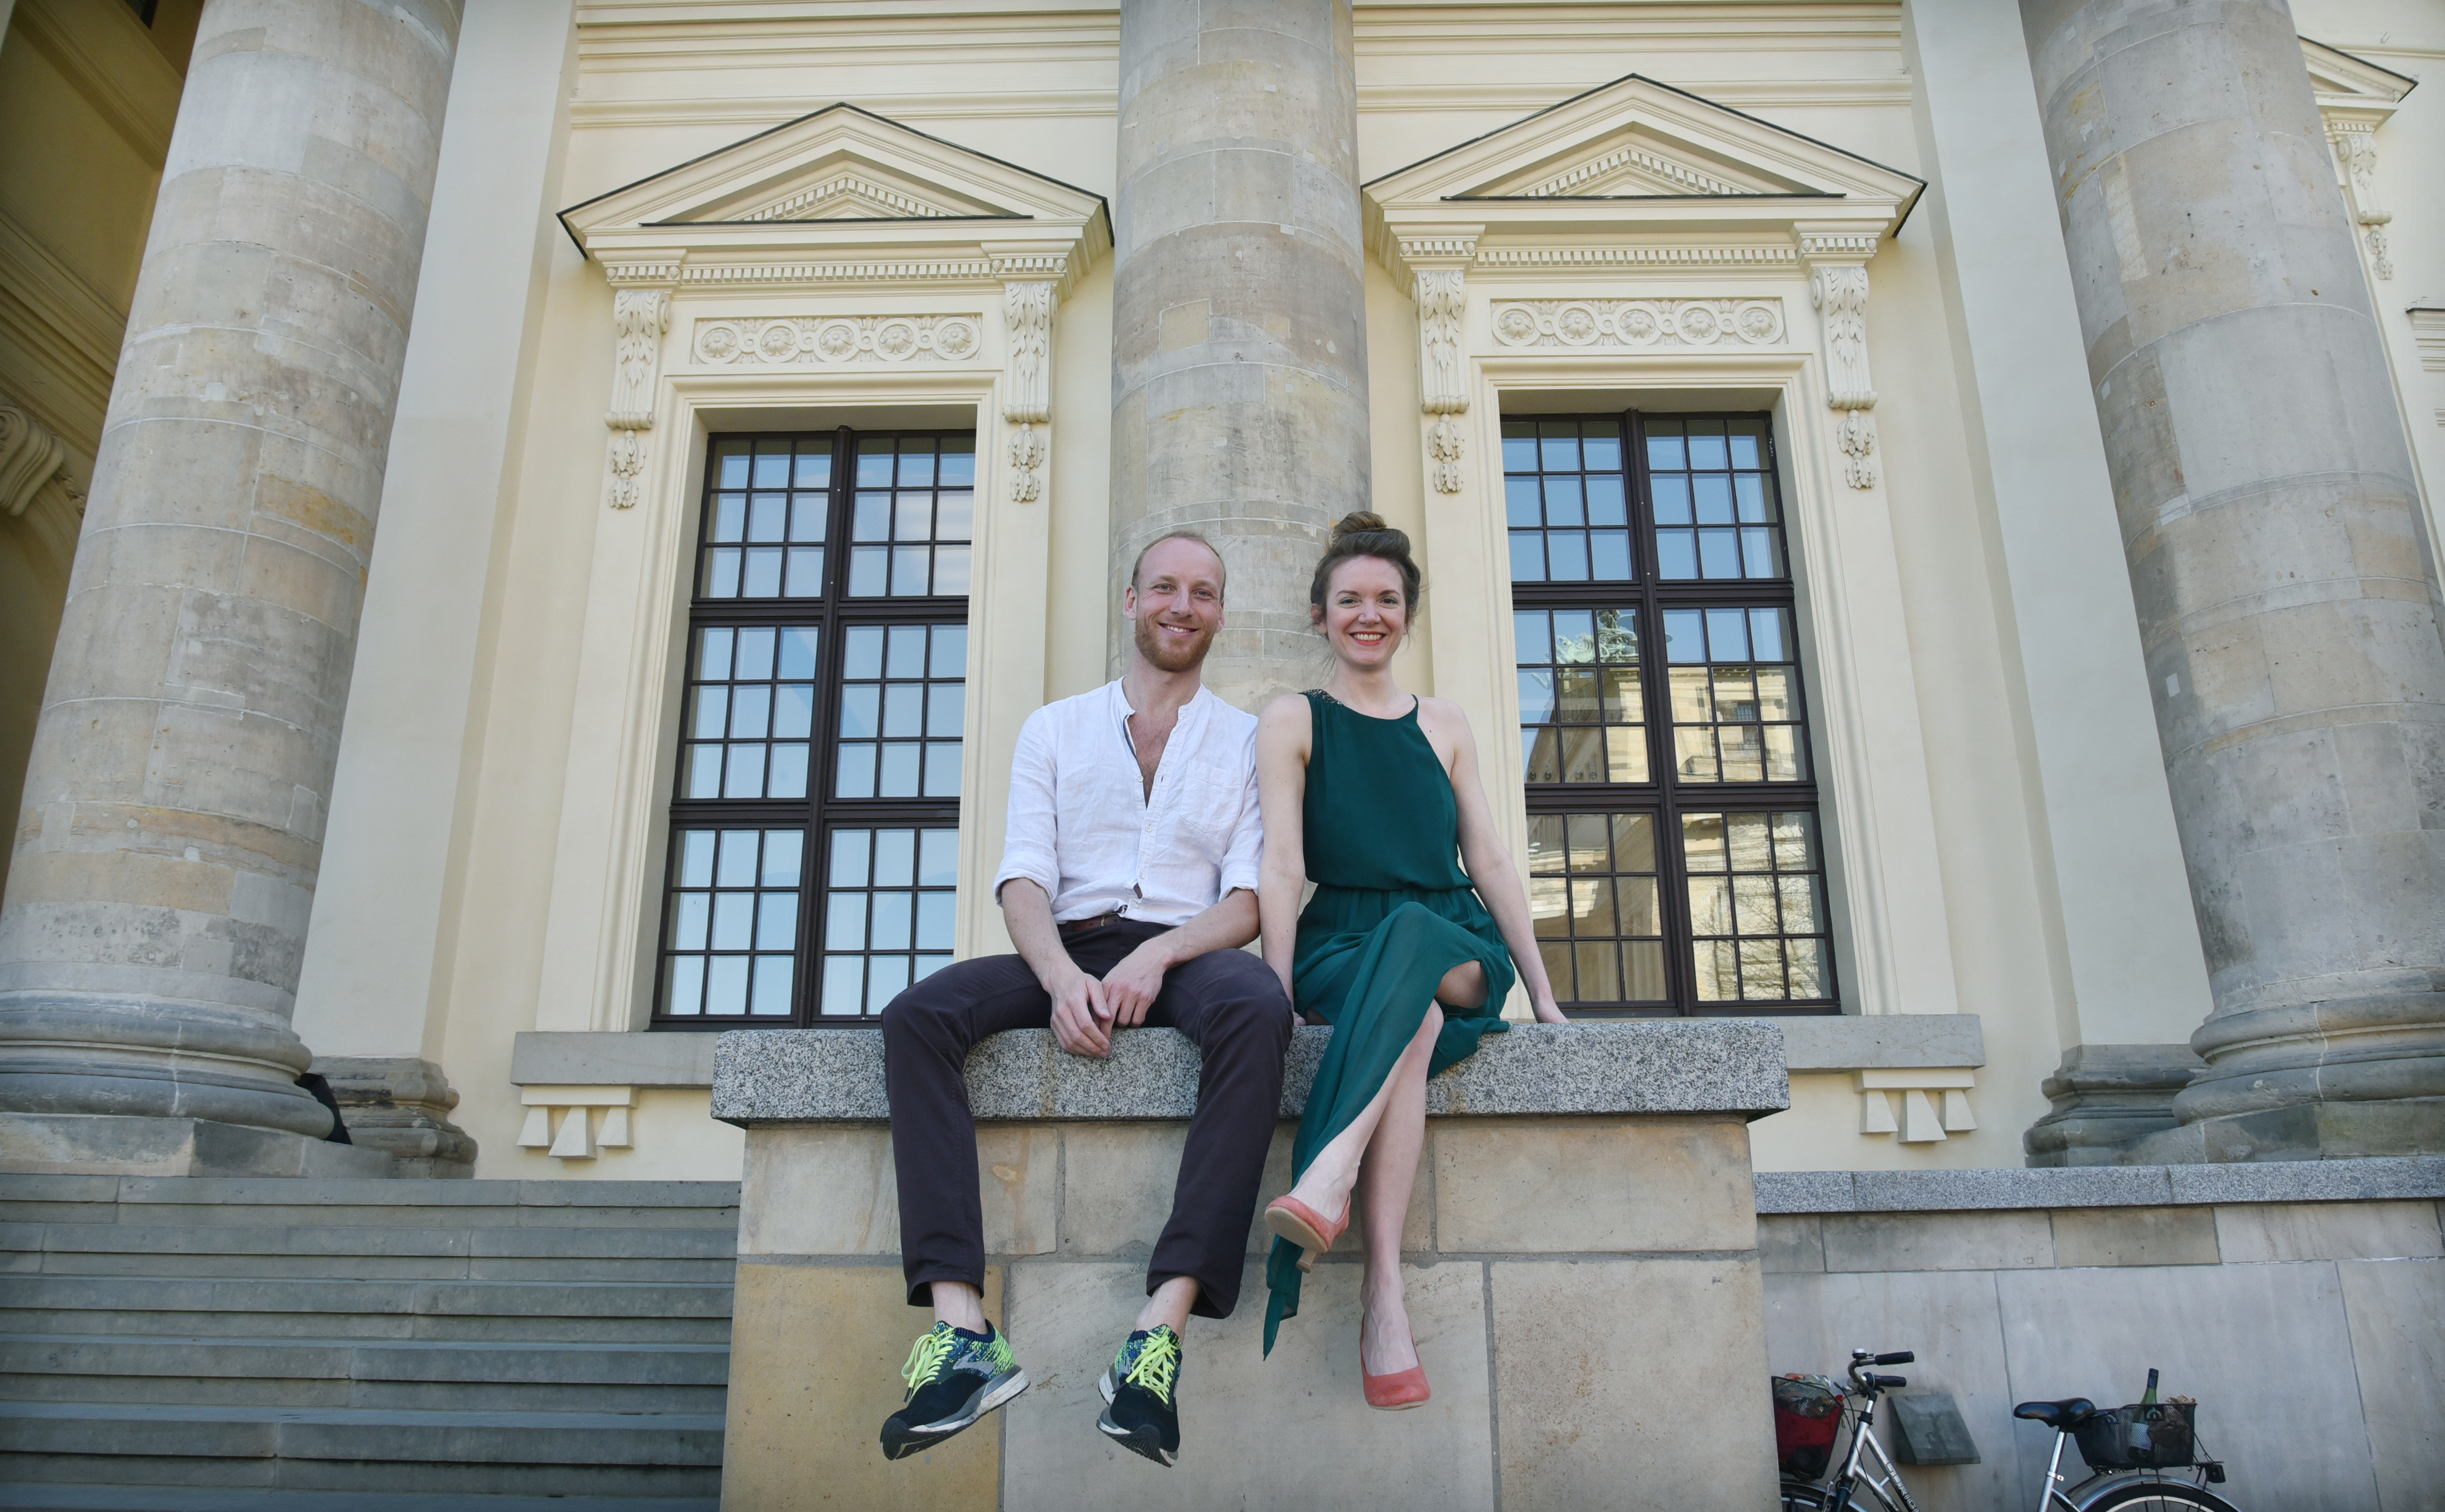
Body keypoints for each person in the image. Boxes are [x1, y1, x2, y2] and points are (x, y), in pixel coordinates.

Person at [877, 532, 1292, 1468]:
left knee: (1258, 1008)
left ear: (1220, 613)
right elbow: (1024, 878)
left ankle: (1159, 1334)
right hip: (1066, 942)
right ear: (1131, 599)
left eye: (1204, 593)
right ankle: (963, 1332)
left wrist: (1162, 959)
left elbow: (1250, 898)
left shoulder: (1244, 739)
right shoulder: (1055, 728)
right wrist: (1064, 978)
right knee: (917, 1017)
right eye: (1166, 589)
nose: (1183, 606)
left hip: (1189, 948)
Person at [1252, 511, 1568, 1407]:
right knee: (1413, 1014)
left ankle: (1329, 1173)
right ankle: (1383, 1296)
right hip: (1341, 945)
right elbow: (1281, 862)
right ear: (1321, 615)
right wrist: (1275, 987)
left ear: (1407, 614)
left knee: (1420, 943)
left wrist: (1542, 992)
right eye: (1349, 599)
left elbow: (1492, 860)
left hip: (1449, 940)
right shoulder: (1292, 720)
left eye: (1387, 600)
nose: (1368, 614)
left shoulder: (1448, 723)